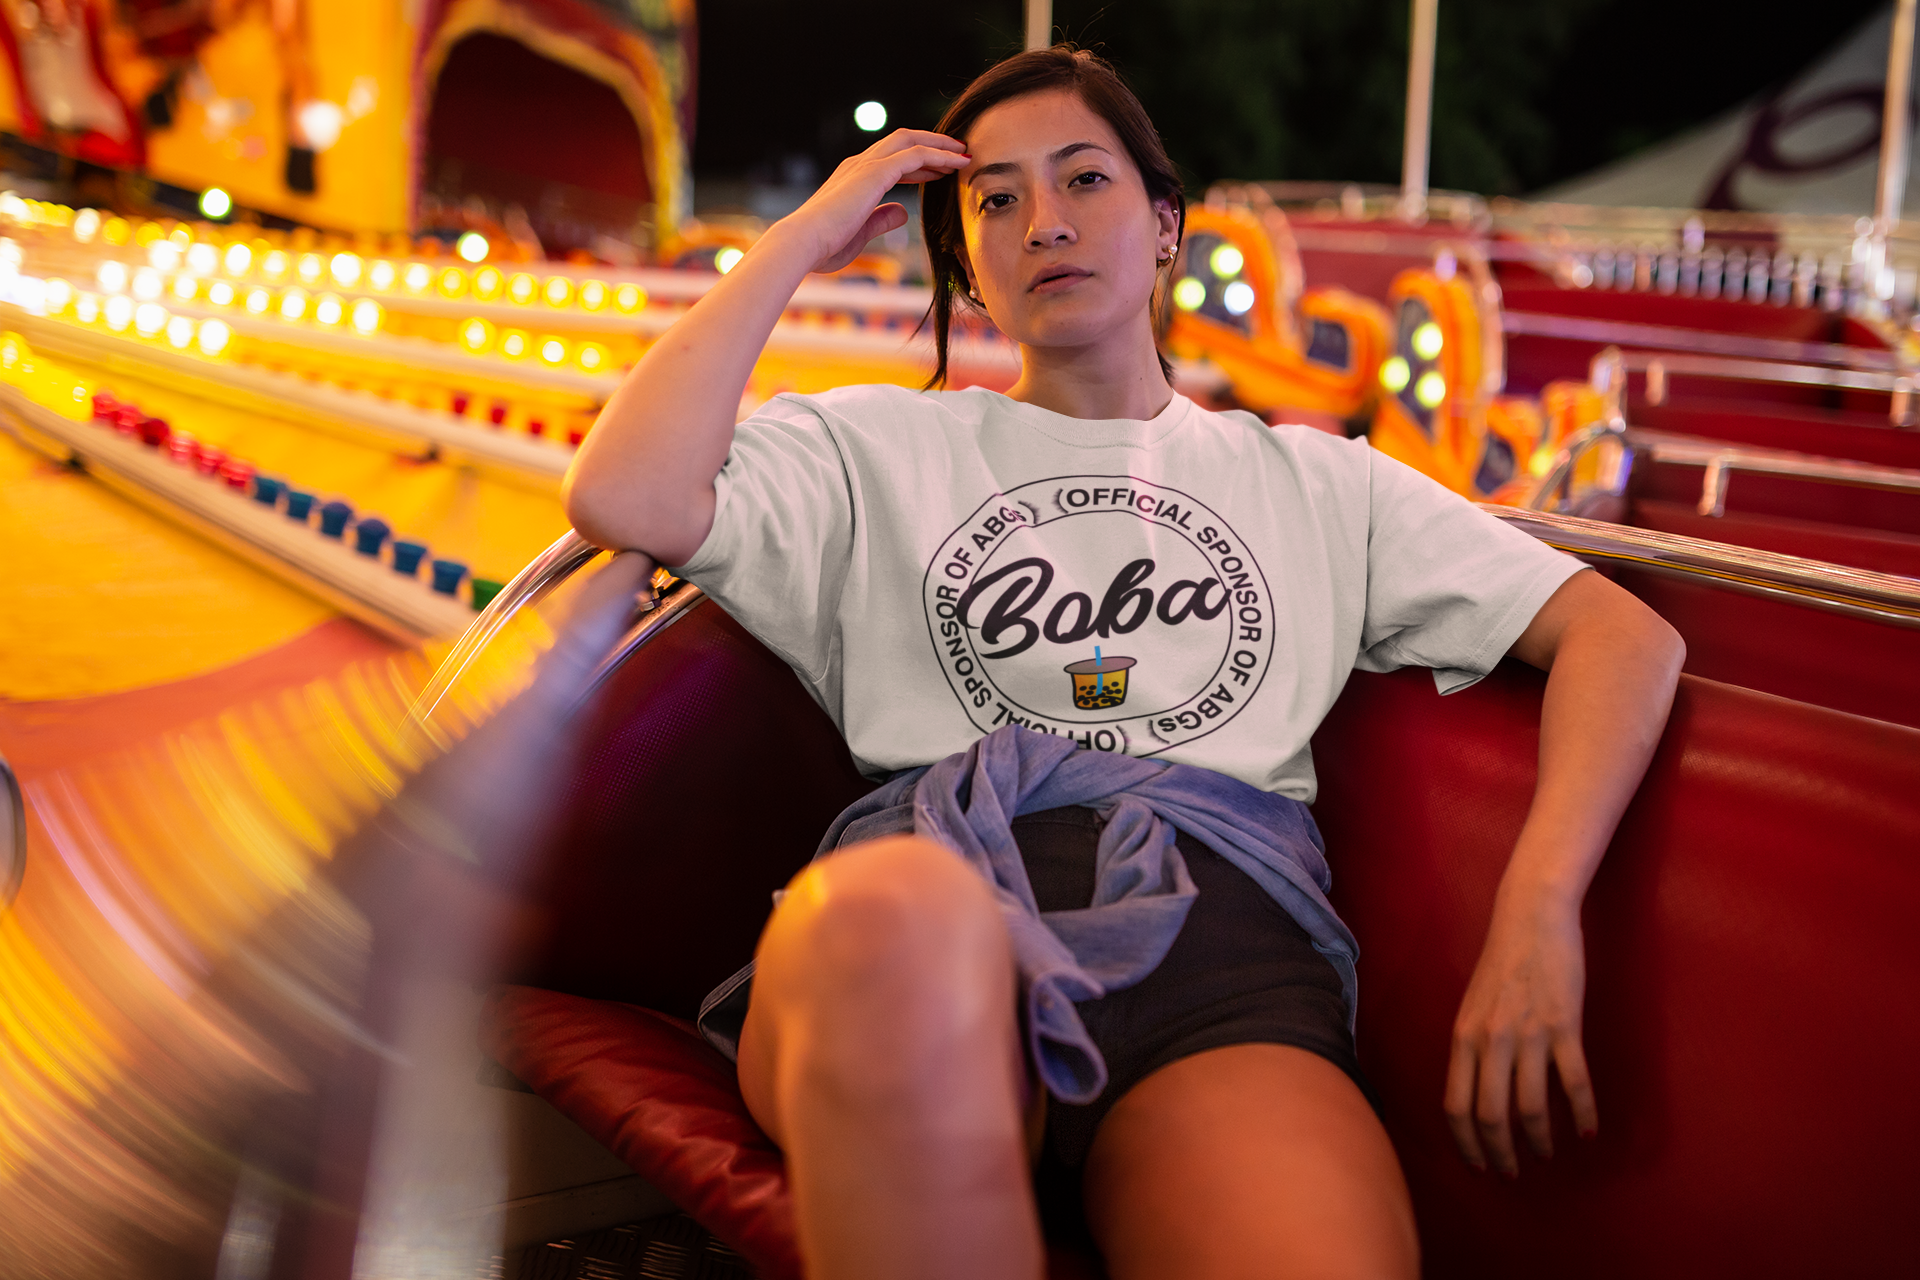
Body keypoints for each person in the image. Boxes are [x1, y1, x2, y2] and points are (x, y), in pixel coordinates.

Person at [565, 44, 1684, 1280]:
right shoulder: (869, 444)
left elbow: (1621, 633)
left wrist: (1536, 912)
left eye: (1084, 180)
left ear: (1165, 229)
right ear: (971, 272)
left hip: (1220, 955)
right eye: (996, 199)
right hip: (936, 901)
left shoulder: (1318, 481)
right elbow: (624, 491)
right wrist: (801, 237)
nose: (1044, 222)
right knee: (894, 929)